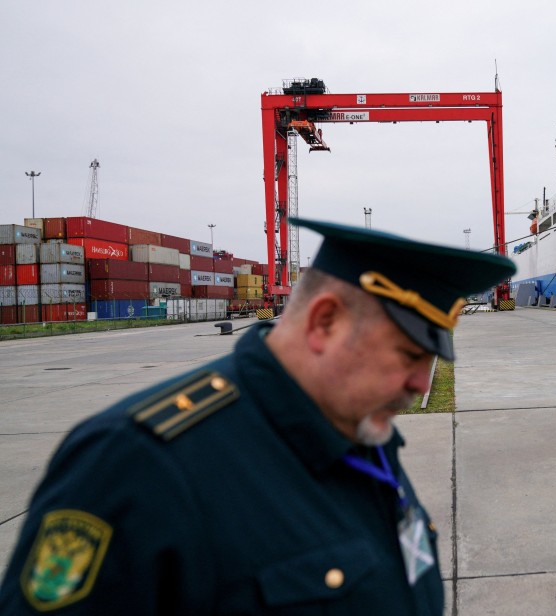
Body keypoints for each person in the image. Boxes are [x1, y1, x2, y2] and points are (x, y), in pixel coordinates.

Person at [0, 217, 515, 615]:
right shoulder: (135, 468)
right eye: (408, 355)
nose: (422, 384)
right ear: (325, 322)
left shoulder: (360, 431)